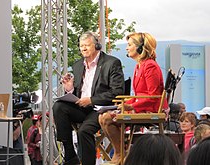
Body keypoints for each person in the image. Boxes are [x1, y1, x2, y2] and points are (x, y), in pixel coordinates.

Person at [52, 31, 125, 165]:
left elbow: (117, 91)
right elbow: (79, 93)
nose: (83, 48)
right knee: (58, 107)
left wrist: (91, 100)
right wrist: (70, 89)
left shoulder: (111, 63)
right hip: (81, 107)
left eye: (87, 45)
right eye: (81, 46)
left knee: (84, 131)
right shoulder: (78, 65)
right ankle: (69, 155)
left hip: (100, 109)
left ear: (96, 46)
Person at [99, 32, 167, 164]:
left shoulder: (150, 65)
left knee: (108, 118)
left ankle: (120, 153)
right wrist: (125, 103)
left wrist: (131, 106)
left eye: (129, 45)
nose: (127, 48)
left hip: (150, 109)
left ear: (140, 48)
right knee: (102, 117)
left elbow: (152, 96)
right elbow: (138, 95)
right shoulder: (138, 66)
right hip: (141, 106)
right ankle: (121, 151)